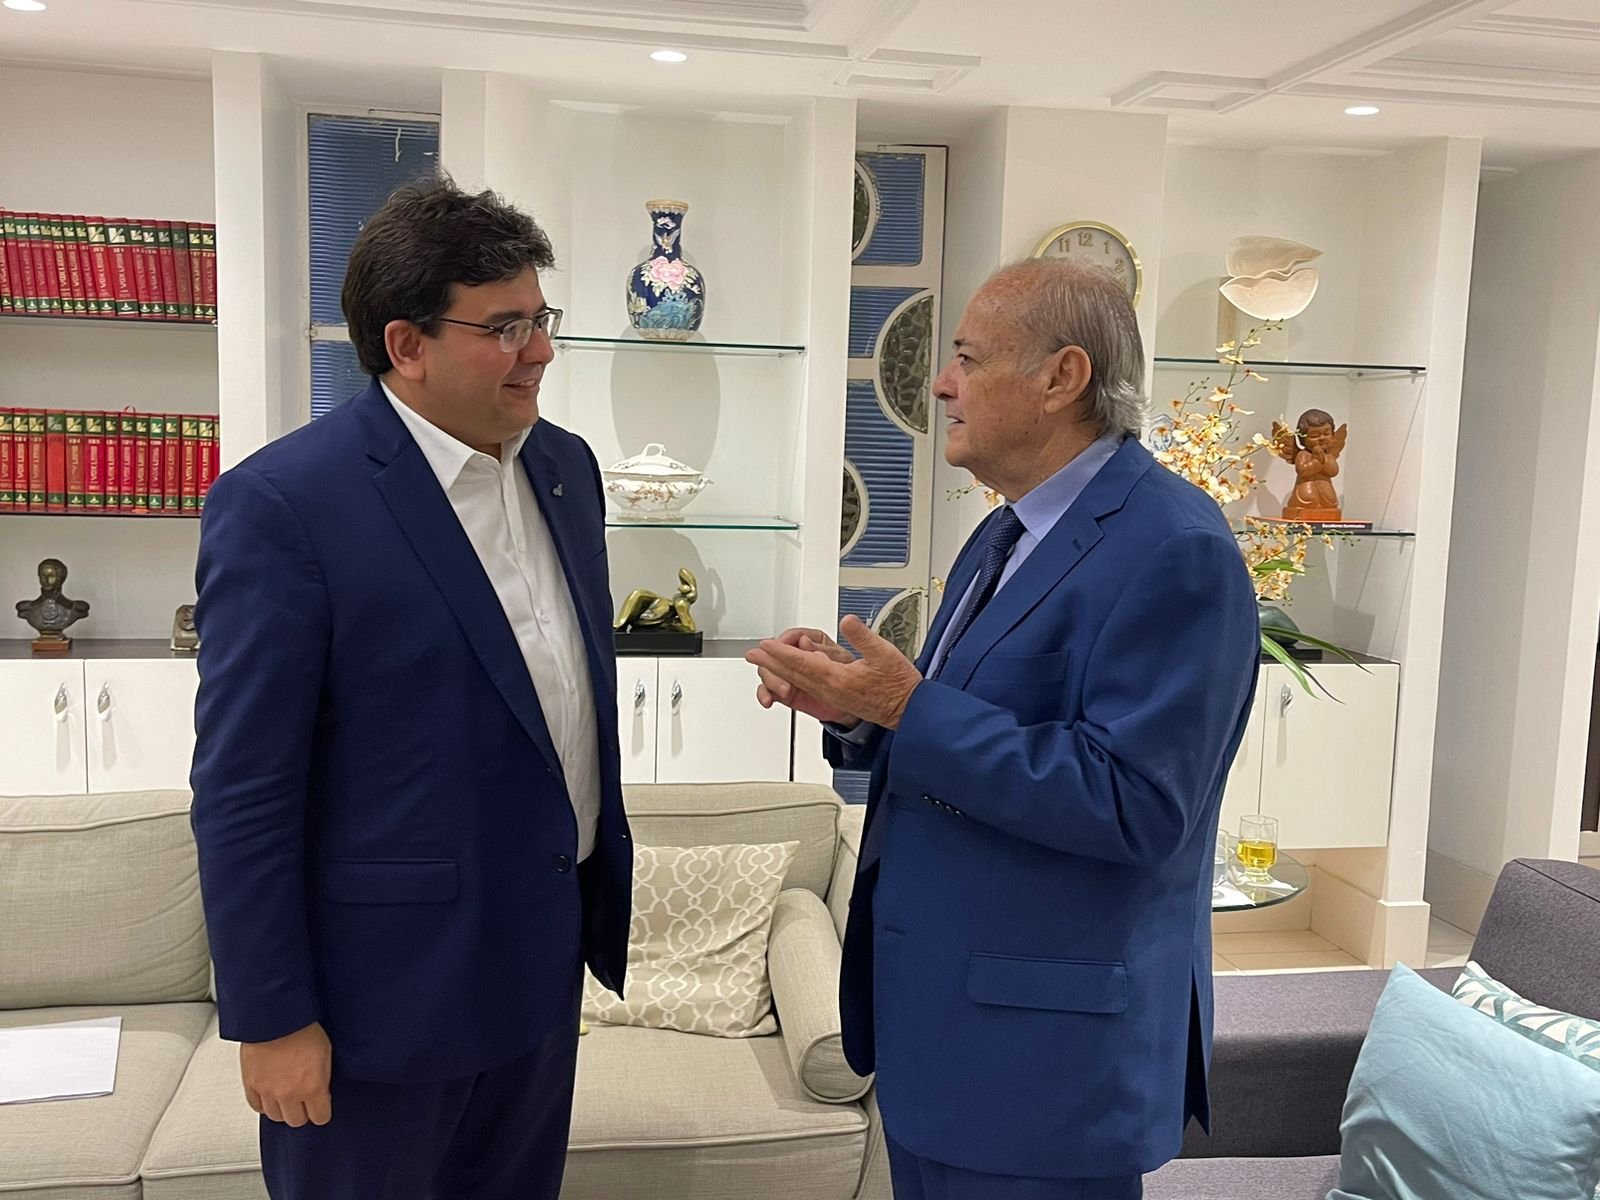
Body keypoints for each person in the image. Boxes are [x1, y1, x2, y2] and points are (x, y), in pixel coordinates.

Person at [749, 259, 1259, 1199]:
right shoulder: (1006, 530)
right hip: (948, 1039)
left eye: (969, 358)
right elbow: (972, 728)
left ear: (1063, 378)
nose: (942, 384)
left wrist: (907, 706)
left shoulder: (1177, 549)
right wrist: (860, 712)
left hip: (1047, 1069)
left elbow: (1137, 804)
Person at [189, 176, 633, 1200]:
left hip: (537, 973)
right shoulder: (285, 505)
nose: (541, 351)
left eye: (543, 319)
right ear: (407, 344)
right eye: (507, 327)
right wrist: (272, 1016)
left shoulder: (565, 471)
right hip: (376, 1005)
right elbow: (244, 789)